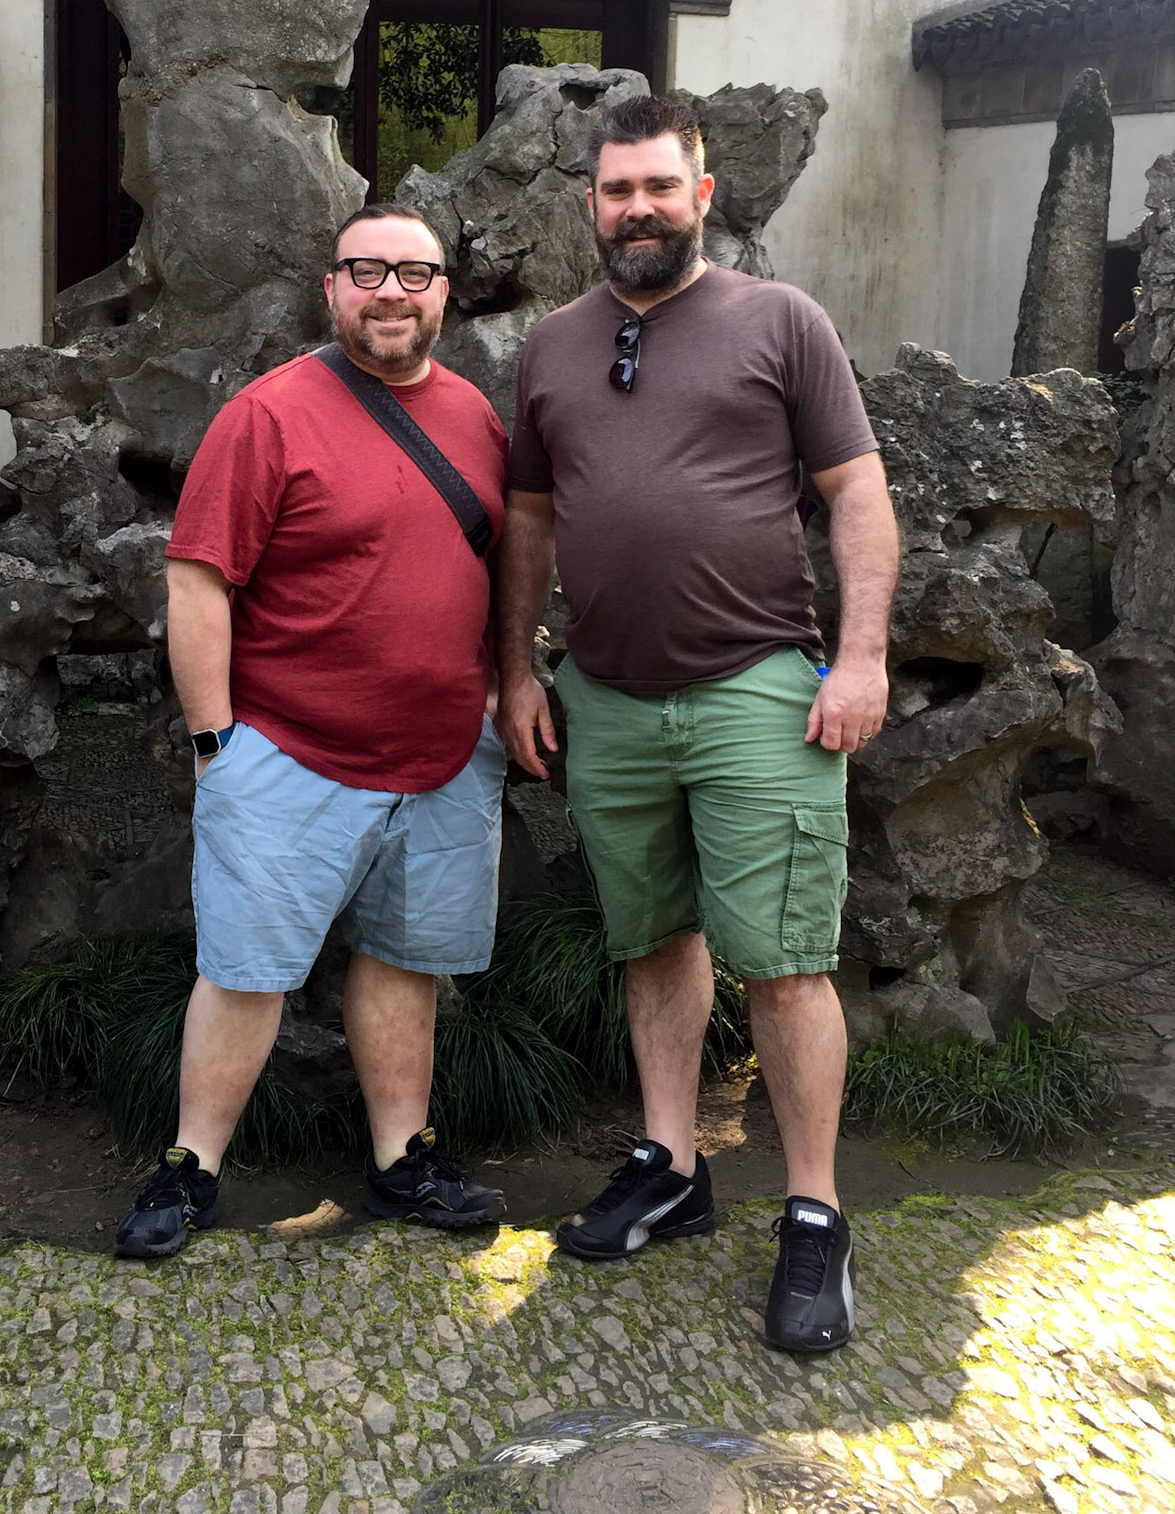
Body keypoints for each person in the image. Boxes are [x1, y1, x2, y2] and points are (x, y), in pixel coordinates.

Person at [497, 93, 899, 1354]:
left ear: (703, 195)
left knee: (782, 959)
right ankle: (668, 1163)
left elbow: (858, 493)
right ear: (590, 204)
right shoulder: (553, 344)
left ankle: (816, 1211)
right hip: (606, 699)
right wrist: (516, 668)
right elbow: (527, 522)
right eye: (618, 190)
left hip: (755, 693)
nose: (638, 209)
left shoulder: (782, 322)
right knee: (652, 938)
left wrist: (864, 655)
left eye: (660, 187)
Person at [115, 204, 510, 1259]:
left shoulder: (475, 416)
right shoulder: (268, 413)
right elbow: (198, 580)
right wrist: (217, 744)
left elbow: (501, 567)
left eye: (415, 273)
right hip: (288, 752)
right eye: (368, 270)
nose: (392, 291)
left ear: (444, 293)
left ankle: (399, 1158)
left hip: (440, 760)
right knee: (245, 969)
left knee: (403, 961)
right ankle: (192, 1163)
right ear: (330, 286)